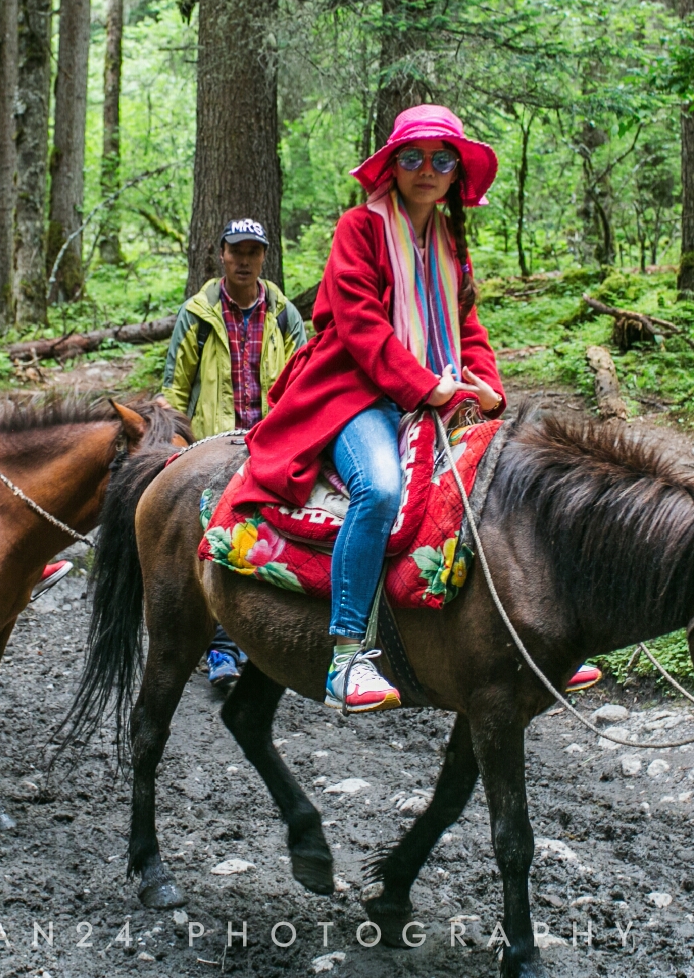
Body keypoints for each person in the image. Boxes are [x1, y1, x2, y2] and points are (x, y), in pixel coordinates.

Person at [240, 105, 599, 712]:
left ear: (457, 171)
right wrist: (430, 388)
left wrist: (484, 385)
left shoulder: (450, 239)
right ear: (393, 166)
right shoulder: (360, 227)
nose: (427, 169)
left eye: (441, 158)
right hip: (356, 393)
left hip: (441, 389)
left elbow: (467, 323)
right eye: (412, 157)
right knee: (378, 489)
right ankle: (347, 654)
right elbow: (359, 325)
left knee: (516, 479)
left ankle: (537, 639)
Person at [158, 217, 308, 689]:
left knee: (271, 540)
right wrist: (175, 448)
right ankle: (222, 649)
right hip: (215, 448)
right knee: (222, 544)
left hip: (273, 446)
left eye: (253, 252)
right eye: (236, 251)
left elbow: (305, 382)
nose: (244, 260)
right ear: (221, 253)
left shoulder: (284, 316)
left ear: (264, 256)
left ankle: (265, 643)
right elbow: (173, 391)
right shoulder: (198, 314)